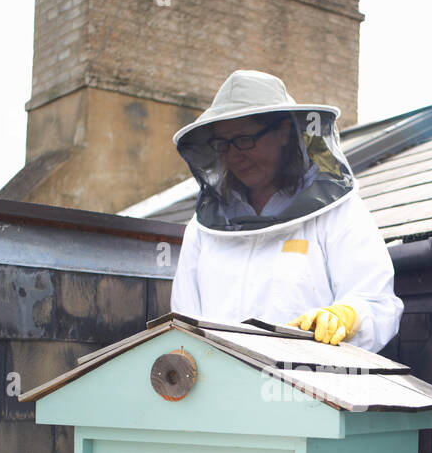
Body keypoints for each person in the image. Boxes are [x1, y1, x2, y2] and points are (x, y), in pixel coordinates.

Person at [169, 70, 403, 352]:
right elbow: (183, 323)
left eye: (245, 139)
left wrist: (348, 316)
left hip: (312, 387)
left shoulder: (338, 213)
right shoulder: (203, 227)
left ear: (283, 133)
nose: (234, 155)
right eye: (224, 144)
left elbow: (378, 305)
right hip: (220, 385)